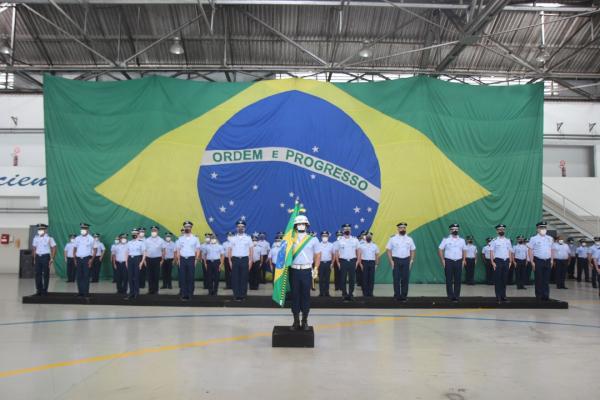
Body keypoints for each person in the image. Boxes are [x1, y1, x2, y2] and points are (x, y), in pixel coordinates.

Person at [289, 214, 320, 330]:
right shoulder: (290, 239)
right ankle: (296, 321)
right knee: (295, 296)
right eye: (298, 224)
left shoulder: (313, 239)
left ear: (307, 225)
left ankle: (305, 321)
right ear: (295, 226)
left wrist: (316, 268)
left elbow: (318, 255)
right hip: (294, 271)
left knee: (306, 296)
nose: (301, 226)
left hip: (307, 271)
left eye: (303, 224)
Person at [386, 222, 416, 301]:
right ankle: (396, 296)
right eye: (401, 228)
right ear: (398, 229)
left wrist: (411, 261)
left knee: (405, 279)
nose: (403, 229)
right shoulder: (393, 238)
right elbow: (388, 250)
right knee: (396, 279)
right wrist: (391, 261)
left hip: (406, 260)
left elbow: (413, 250)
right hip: (396, 260)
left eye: (404, 228)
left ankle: (404, 296)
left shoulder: (409, 239)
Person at [438, 223, 466, 302]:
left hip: (459, 261)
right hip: (449, 261)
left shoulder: (462, 240)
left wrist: (464, 260)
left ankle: (456, 296)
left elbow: (464, 250)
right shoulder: (446, 240)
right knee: (449, 279)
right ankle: (450, 296)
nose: (455, 230)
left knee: (458, 279)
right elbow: (440, 249)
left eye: (456, 229)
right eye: (453, 229)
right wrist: (443, 260)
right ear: (450, 230)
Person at [527, 221, 554, 301]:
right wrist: (532, 262)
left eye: (544, 227)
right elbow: (530, 250)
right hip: (538, 260)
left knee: (546, 279)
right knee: (539, 279)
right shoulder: (533, 238)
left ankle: (546, 295)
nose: (543, 229)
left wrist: (552, 260)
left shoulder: (550, 238)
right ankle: (539, 296)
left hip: (548, 260)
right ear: (537, 229)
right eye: (541, 228)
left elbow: (552, 249)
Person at [228, 220, 253, 301]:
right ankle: (236, 295)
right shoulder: (232, 238)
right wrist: (230, 261)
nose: (240, 228)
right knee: (235, 278)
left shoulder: (248, 238)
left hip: (245, 259)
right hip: (235, 259)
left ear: (244, 228)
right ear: (236, 228)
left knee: (244, 278)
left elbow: (251, 250)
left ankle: (242, 295)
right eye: (239, 226)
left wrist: (250, 261)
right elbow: (229, 250)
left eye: (242, 226)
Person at [175, 221, 201, 301]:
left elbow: (198, 250)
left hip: (191, 259)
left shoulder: (195, 238)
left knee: (190, 277)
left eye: (189, 227)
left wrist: (196, 259)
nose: (187, 228)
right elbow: (178, 249)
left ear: (191, 228)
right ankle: (183, 294)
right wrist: (178, 259)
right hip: (182, 259)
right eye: (186, 227)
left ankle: (190, 294)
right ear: (184, 228)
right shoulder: (180, 238)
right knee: (182, 277)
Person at [490, 224, 513, 303]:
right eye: (500, 230)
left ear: (504, 230)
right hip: (498, 261)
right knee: (498, 280)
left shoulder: (508, 240)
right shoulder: (494, 240)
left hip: (506, 261)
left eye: (503, 229)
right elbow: (491, 251)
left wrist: (510, 261)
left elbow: (510, 250)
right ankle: (498, 297)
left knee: (504, 279)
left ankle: (504, 296)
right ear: (497, 231)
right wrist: (492, 262)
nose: (501, 231)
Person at [336, 224, 359, 301]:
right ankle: (344, 294)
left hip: (352, 261)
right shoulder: (339, 241)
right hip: (343, 261)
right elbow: (336, 252)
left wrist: (358, 261)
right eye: (345, 229)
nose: (347, 230)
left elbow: (358, 251)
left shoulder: (355, 240)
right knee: (343, 278)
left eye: (348, 228)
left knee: (352, 279)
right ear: (343, 230)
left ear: (351, 230)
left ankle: (350, 294)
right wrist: (338, 262)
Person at [31, 223, 56, 296]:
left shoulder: (49, 238)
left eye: (41, 229)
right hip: (38, 257)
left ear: (45, 230)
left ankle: (45, 290)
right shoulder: (35, 238)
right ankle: (39, 289)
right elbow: (34, 248)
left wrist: (52, 258)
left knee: (46, 274)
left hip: (46, 257)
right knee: (37, 274)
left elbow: (54, 248)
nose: (40, 230)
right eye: (39, 229)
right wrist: (34, 258)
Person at [73, 223, 96, 297]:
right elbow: (74, 249)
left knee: (86, 276)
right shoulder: (77, 238)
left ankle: (86, 293)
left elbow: (95, 250)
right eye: (82, 229)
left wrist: (91, 260)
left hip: (87, 259)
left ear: (87, 230)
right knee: (79, 276)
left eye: (84, 229)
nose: (82, 230)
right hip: (79, 259)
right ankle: (80, 292)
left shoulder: (91, 238)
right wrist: (75, 259)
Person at [125, 228, 146, 300]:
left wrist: (141, 262)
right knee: (130, 277)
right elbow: (127, 252)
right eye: (133, 234)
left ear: (138, 234)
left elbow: (144, 253)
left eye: (135, 234)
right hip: (130, 259)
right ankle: (131, 293)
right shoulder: (129, 242)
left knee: (136, 277)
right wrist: (126, 261)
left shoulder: (141, 242)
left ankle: (136, 293)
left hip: (137, 259)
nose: (134, 235)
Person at [144, 226, 165, 294]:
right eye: (152, 230)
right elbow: (144, 251)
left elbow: (163, 250)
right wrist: (144, 260)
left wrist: (162, 260)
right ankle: (150, 290)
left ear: (157, 231)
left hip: (157, 259)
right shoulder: (147, 240)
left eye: (155, 231)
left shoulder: (161, 240)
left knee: (156, 275)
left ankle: (156, 290)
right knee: (149, 276)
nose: (153, 232)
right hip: (148, 259)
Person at [358, 232, 379, 297]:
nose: (368, 237)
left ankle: (370, 293)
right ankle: (365, 293)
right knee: (364, 278)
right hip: (364, 262)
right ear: (365, 237)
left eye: (370, 236)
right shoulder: (361, 245)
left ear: (371, 237)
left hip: (372, 263)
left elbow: (377, 255)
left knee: (371, 278)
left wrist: (376, 264)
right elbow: (359, 255)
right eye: (367, 236)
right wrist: (360, 264)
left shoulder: (375, 245)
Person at [317, 231, 334, 297]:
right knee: (320, 279)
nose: (325, 237)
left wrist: (332, 263)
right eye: (323, 236)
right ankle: (321, 293)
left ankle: (327, 292)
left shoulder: (331, 245)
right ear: (321, 237)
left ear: (328, 237)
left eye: (326, 236)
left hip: (328, 263)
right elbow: (316, 255)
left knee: (327, 279)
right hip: (320, 263)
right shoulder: (318, 245)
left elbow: (333, 255)